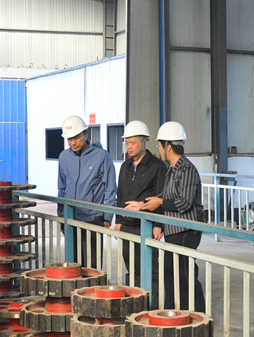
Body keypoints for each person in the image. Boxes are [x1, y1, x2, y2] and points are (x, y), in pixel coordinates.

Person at [126, 121, 206, 312]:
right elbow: (164, 195)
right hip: (173, 231)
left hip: (185, 231)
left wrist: (160, 203)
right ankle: (173, 314)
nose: (159, 149)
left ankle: (198, 316)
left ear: (168, 146)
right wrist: (142, 205)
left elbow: (184, 202)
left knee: (185, 275)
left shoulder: (186, 169)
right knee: (170, 274)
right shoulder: (172, 169)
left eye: (160, 145)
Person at [115, 120, 167, 306]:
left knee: (151, 269)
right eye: (127, 143)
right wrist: (118, 220)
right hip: (127, 226)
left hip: (147, 226)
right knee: (132, 268)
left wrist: (159, 224)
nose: (129, 147)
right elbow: (120, 194)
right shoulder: (125, 166)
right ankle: (135, 306)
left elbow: (161, 196)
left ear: (144, 141)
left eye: (133, 143)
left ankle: (151, 306)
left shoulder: (157, 166)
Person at [57, 115, 117, 269]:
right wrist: (61, 214)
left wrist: (107, 217)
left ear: (85, 133)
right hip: (71, 218)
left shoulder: (101, 156)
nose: (73, 142)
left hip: (93, 218)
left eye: (76, 137)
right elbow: (62, 187)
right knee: (73, 265)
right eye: (69, 139)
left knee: (92, 266)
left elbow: (110, 187)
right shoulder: (64, 157)